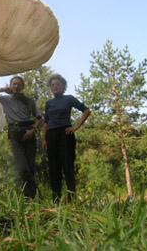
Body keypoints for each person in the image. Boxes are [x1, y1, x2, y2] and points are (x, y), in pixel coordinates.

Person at [0, 76, 43, 199]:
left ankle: (28, 199)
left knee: (30, 167)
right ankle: (38, 196)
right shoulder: (5, 100)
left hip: (28, 131)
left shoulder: (29, 100)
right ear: (11, 85)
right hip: (14, 133)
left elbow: (40, 119)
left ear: (22, 87)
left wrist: (32, 131)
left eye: (19, 84)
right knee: (22, 168)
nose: (16, 86)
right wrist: (3, 89)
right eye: (14, 84)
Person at [42, 74, 90, 203]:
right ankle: (56, 201)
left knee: (67, 166)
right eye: (52, 85)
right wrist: (44, 139)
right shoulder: (49, 103)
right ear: (50, 88)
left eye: (58, 84)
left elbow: (86, 110)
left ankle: (71, 200)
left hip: (65, 134)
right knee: (53, 168)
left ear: (63, 86)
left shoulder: (69, 99)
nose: (55, 87)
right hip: (51, 136)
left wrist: (76, 126)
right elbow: (46, 122)